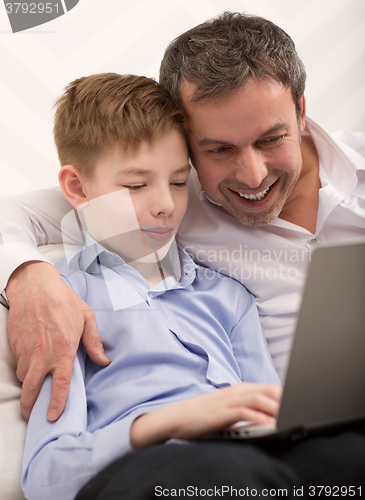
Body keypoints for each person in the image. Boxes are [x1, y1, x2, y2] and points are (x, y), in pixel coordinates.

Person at [1, 11, 364, 417]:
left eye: (271, 139)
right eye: (219, 150)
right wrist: (28, 276)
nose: (253, 175)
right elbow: (13, 214)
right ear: (187, 143)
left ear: (299, 111)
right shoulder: (168, 202)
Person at [21, 72, 282, 500]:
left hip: (244, 464)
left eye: (179, 183)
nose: (165, 205)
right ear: (77, 187)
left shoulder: (228, 297)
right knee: (216, 471)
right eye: (136, 186)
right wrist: (168, 421)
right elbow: (46, 474)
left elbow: (272, 416)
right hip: (145, 470)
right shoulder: (65, 301)